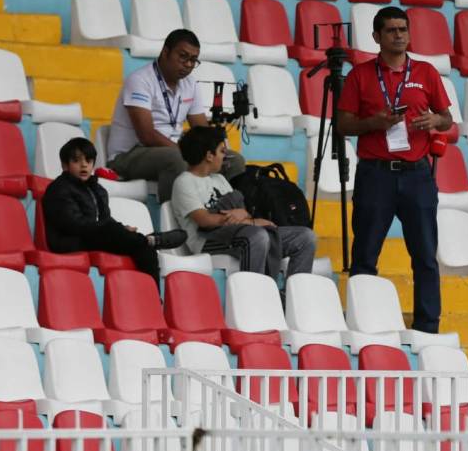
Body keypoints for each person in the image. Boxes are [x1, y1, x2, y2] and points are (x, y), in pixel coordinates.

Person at [336, 6, 453, 333]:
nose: (399, 35)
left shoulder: (426, 72)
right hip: (376, 173)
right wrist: (374, 123)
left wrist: (435, 120)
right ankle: (362, 324)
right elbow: (342, 125)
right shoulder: (360, 75)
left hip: (417, 173)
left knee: (425, 255)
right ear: (376, 36)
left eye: (403, 29)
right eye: (391, 30)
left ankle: (428, 328)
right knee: (365, 254)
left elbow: (447, 118)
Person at [106, 28, 247, 201]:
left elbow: (201, 129)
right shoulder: (140, 80)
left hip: (173, 149)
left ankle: (224, 210)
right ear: (165, 52)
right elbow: (147, 135)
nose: (188, 64)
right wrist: (188, 152)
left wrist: (217, 148)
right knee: (176, 159)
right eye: (183, 56)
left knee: (233, 160)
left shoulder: (190, 84)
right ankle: (175, 212)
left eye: (193, 60)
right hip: (129, 155)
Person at [171, 125, 317, 280]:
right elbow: (204, 220)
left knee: (305, 237)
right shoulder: (184, 182)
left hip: (237, 231)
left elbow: (242, 213)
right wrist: (251, 222)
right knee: (257, 237)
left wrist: (247, 218)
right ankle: (254, 292)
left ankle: (291, 293)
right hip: (208, 240)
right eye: (222, 151)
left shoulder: (219, 179)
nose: (224, 156)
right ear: (209, 156)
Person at [41, 136, 186, 285]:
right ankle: (150, 239)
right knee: (114, 231)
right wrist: (111, 229)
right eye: (76, 161)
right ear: (65, 165)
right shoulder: (59, 189)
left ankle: (153, 295)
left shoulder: (98, 189)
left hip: (93, 237)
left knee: (145, 250)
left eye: (88, 161)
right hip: (70, 242)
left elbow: (104, 220)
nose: (84, 165)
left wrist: (121, 229)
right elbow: (73, 224)